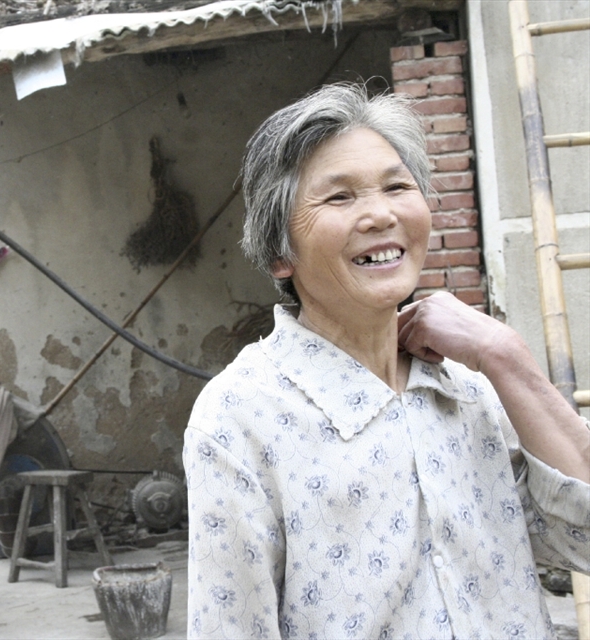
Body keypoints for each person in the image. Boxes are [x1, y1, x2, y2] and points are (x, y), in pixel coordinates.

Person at [184, 83, 590, 639]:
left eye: (397, 186)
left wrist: (505, 356)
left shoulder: (469, 388)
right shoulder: (240, 415)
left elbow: (583, 536)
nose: (380, 214)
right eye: (340, 197)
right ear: (280, 254)